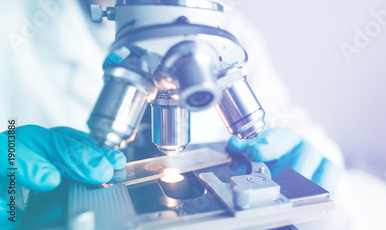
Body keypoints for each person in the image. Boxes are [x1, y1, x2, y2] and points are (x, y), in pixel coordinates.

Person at [0, 0, 349, 229]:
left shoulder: (230, 34)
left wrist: (304, 173)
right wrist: (11, 189)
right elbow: (10, 152)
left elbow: (302, 138)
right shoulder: (11, 27)